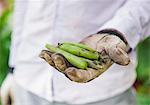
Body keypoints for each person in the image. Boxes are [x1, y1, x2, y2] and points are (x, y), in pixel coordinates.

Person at [1, 0, 150, 105]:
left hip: (102, 92)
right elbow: (23, 6)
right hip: (28, 82)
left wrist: (118, 33)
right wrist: (13, 68)